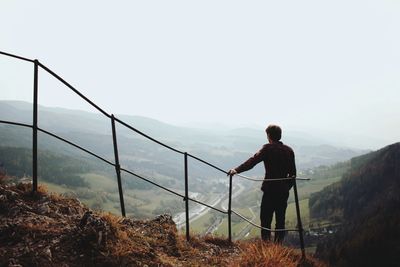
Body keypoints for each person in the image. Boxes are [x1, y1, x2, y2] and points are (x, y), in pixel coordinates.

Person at [227, 124, 296, 242]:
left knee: (265, 220)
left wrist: (236, 170)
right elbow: (293, 174)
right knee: (280, 221)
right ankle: (277, 248)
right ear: (280, 135)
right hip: (283, 192)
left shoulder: (267, 148)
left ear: (269, 135)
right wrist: (286, 187)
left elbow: (252, 162)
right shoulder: (289, 150)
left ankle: (266, 246)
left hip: (270, 190)